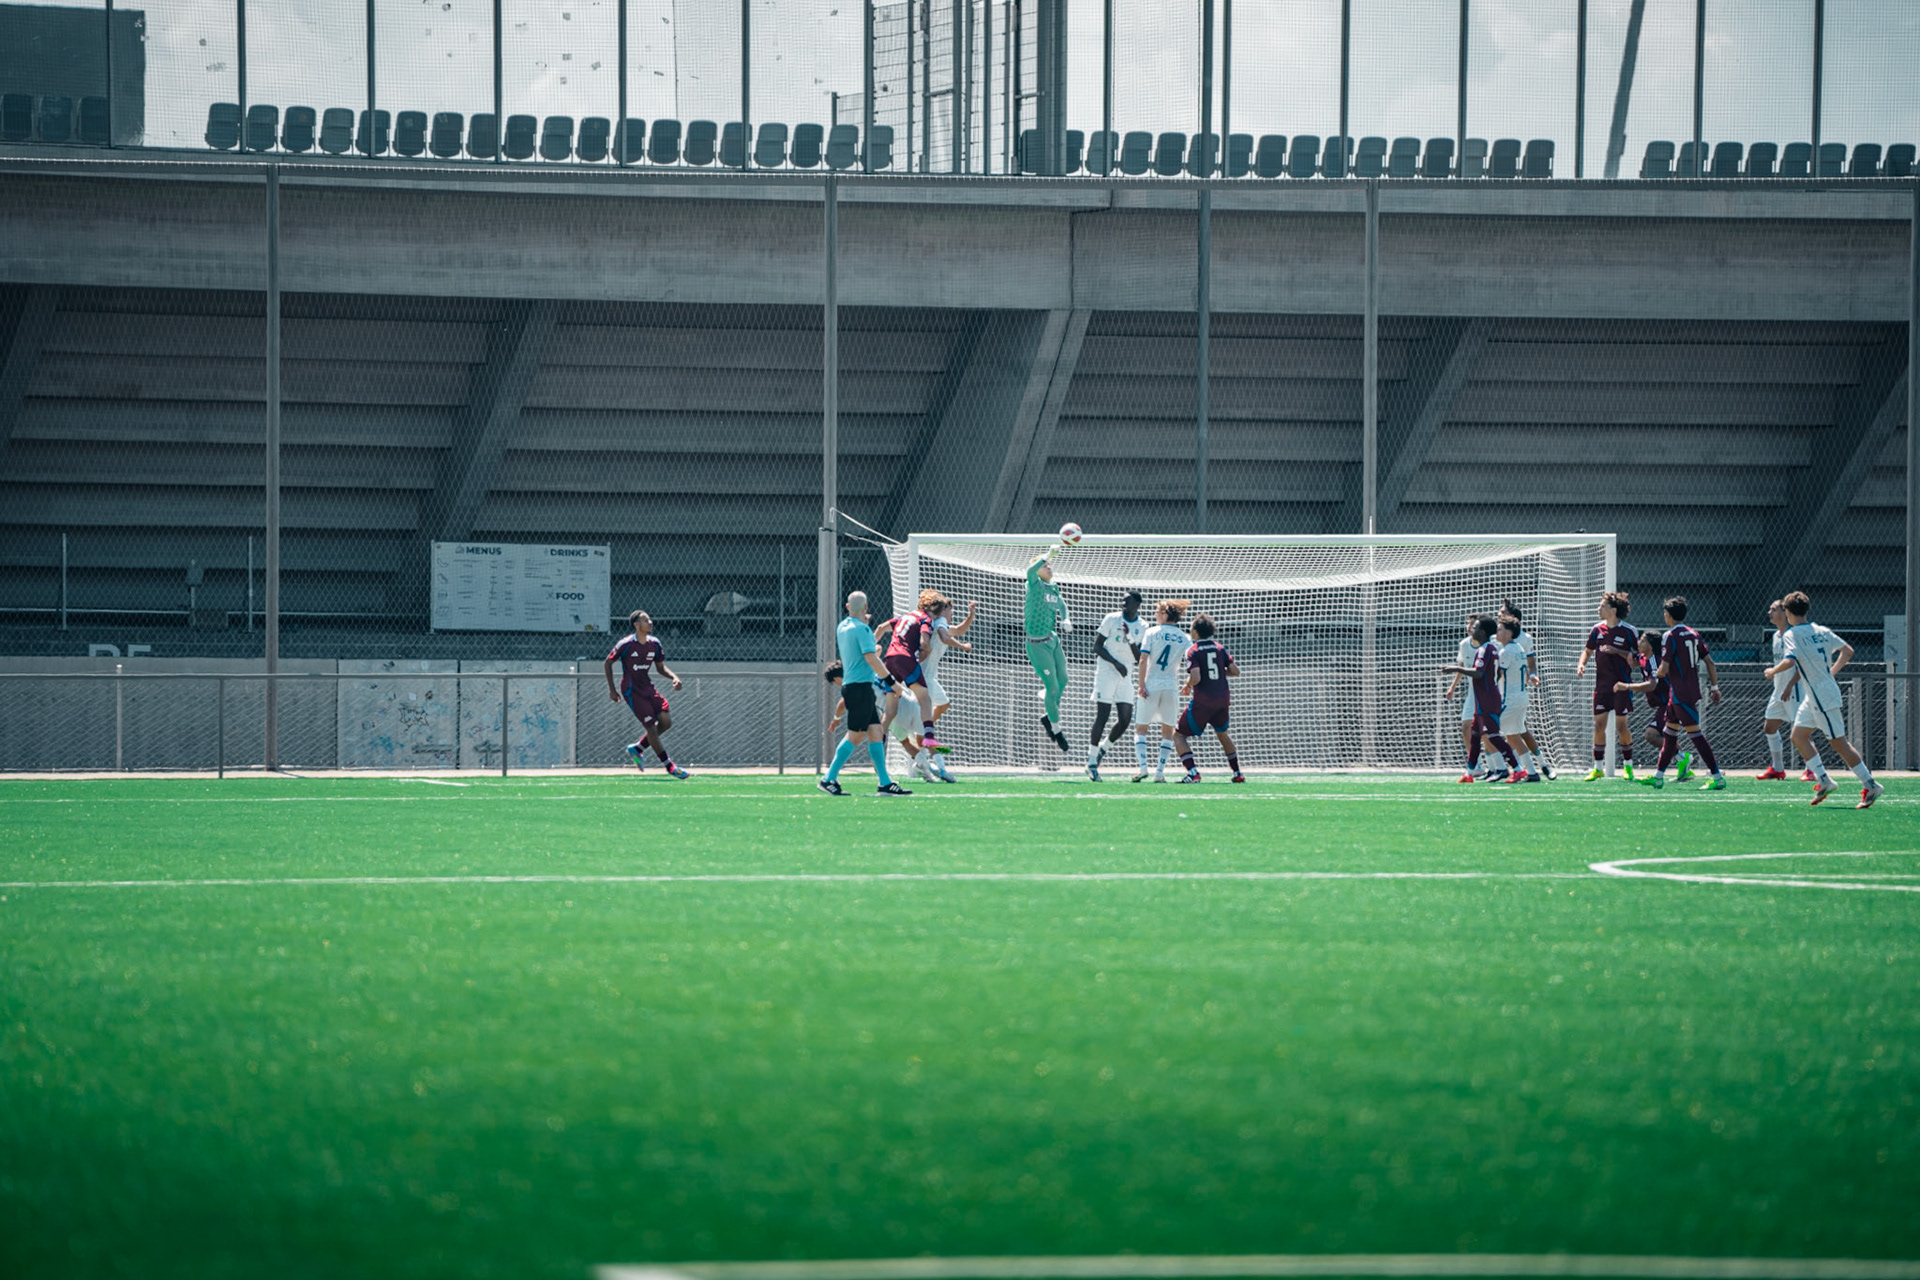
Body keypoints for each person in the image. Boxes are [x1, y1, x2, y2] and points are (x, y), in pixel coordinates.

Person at [1763, 591, 1882, 808]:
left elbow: (1790, 660)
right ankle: (1824, 780)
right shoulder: (1822, 630)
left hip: (1822, 696)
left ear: (1788, 612)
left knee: (1839, 744)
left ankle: (1870, 784)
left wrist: (1772, 671)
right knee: (1798, 736)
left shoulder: (1792, 634)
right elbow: (1847, 651)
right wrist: (1830, 673)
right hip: (1816, 694)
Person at [1616, 597, 1726, 791]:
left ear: (1668, 615)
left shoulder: (1670, 636)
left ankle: (1717, 776)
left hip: (1681, 693)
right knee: (1669, 735)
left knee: (1696, 735)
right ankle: (1659, 777)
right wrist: (1715, 688)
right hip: (1679, 694)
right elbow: (1710, 662)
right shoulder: (1694, 634)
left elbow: (1663, 669)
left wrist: (1657, 673)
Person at [820, 590, 911, 796]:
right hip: (859, 688)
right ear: (867, 608)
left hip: (858, 688)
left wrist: (861, 619)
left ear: (847, 608)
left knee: (876, 732)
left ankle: (885, 783)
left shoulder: (842, 627)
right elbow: (872, 658)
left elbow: (857, 631)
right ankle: (829, 778)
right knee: (856, 735)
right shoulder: (863, 630)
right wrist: (892, 682)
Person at [603, 609, 689, 779]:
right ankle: (669, 766)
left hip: (648, 687)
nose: (650, 622)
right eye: (645, 620)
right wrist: (611, 689)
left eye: (649, 620)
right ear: (636, 625)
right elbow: (608, 663)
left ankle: (638, 748)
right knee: (650, 727)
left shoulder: (655, 644)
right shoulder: (626, 644)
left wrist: (674, 677)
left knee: (666, 721)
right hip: (631, 690)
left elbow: (660, 667)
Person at [1441, 615, 1523, 784]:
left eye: (1476, 627)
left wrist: (1455, 668)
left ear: (1484, 632)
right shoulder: (1490, 648)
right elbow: (1496, 672)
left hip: (1487, 700)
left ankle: (1517, 769)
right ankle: (1469, 773)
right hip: (1483, 699)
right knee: (1475, 737)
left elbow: (1478, 673)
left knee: (1493, 736)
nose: (1473, 629)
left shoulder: (1485, 649)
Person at [1173, 613, 1243, 784]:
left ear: (1196, 631)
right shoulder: (1219, 648)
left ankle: (1193, 773)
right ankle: (1237, 773)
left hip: (1204, 700)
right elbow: (1235, 671)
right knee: (1223, 734)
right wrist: (1218, 674)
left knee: (1178, 735)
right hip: (1222, 699)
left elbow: (1196, 678)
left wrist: (1188, 684)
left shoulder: (1193, 650)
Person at [1575, 591, 1639, 781]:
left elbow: (1636, 658)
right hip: (1602, 686)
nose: (1598, 609)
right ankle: (1598, 768)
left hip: (1622, 686)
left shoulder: (1628, 631)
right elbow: (1587, 651)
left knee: (1621, 727)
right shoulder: (1596, 630)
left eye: (1602, 606)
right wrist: (1582, 664)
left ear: (1612, 609)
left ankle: (1628, 767)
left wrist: (1616, 651)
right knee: (1599, 725)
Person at [1087, 589, 1147, 781]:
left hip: (1126, 673)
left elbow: (1139, 658)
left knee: (1125, 719)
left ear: (1137, 605)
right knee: (1102, 716)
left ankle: (1102, 750)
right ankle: (1091, 762)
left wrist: (1129, 637)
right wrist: (1115, 663)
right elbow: (1097, 647)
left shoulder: (1143, 626)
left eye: (1127, 601)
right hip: (1107, 672)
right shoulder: (1111, 619)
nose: (1123, 604)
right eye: (1122, 601)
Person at [1497, 601, 1555, 780]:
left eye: (1502, 613)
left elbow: (1528, 664)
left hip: (1510, 695)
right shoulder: (1500, 639)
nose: (1499, 615)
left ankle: (1533, 765)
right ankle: (1523, 770)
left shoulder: (1523, 640)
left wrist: (1533, 675)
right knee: (1512, 733)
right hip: (1515, 694)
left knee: (1494, 730)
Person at [1134, 598, 1189, 782]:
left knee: (1141, 729)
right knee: (1168, 731)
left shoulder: (1151, 632)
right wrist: (1188, 683)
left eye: (1158, 611)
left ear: (1166, 614)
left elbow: (1143, 660)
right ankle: (1159, 772)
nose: (1155, 615)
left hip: (1151, 684)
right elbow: (1191, 663)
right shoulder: (1184, 637)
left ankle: (1143, 769)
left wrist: (1141, 685)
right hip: (1170, 686)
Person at [1025, 544, 1073, 752]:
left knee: (1064, 680)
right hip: (1037, 645)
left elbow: (1062, 604)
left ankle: (1049, 712)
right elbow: (1028, 571)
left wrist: (1066, 618)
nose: (1049, 566)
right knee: (1052, 687)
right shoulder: (1033, 584)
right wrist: (1046, 554)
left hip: (1052, 640)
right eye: (1045, 565)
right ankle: (1055, 728)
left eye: (1050, 564)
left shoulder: (1053, 586)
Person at [1444, 615, 1501, 781]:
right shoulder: (1464, 644)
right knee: (1466, 727)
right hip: (1472, 693)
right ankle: (1476, 767)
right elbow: (1463, 666)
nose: (1469, 627)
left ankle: (1497, 766)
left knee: (1487, 732)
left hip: (1488, 692)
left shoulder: (1490, 647)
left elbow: (1494, 670)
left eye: (1472, 624)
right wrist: (1452, 687)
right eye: (1467, 624)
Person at [1756, 599, 1806, 781]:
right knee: (1769, 727)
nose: (1769, 612)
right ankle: (1778, 768)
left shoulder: (1793, 635)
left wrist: (1790, 685)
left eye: (1774, 609)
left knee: (1800, 730)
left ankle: (1811, 768)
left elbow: (1801, 664)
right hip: (1779, 691)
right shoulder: (1776, 637)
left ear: (1785, 613)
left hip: (1793, 690)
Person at [1493, 616, 1537, 783]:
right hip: (1521, 697)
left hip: (1509, 699)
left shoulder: (1506, 651)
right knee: (1513, 736)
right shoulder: (1518, 648)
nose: (1497, 632)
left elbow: (1498, 674)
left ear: (1510, 633)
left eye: (1500, 629)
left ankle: (1506, 768)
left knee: (1489, 731)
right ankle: (1531, 772)